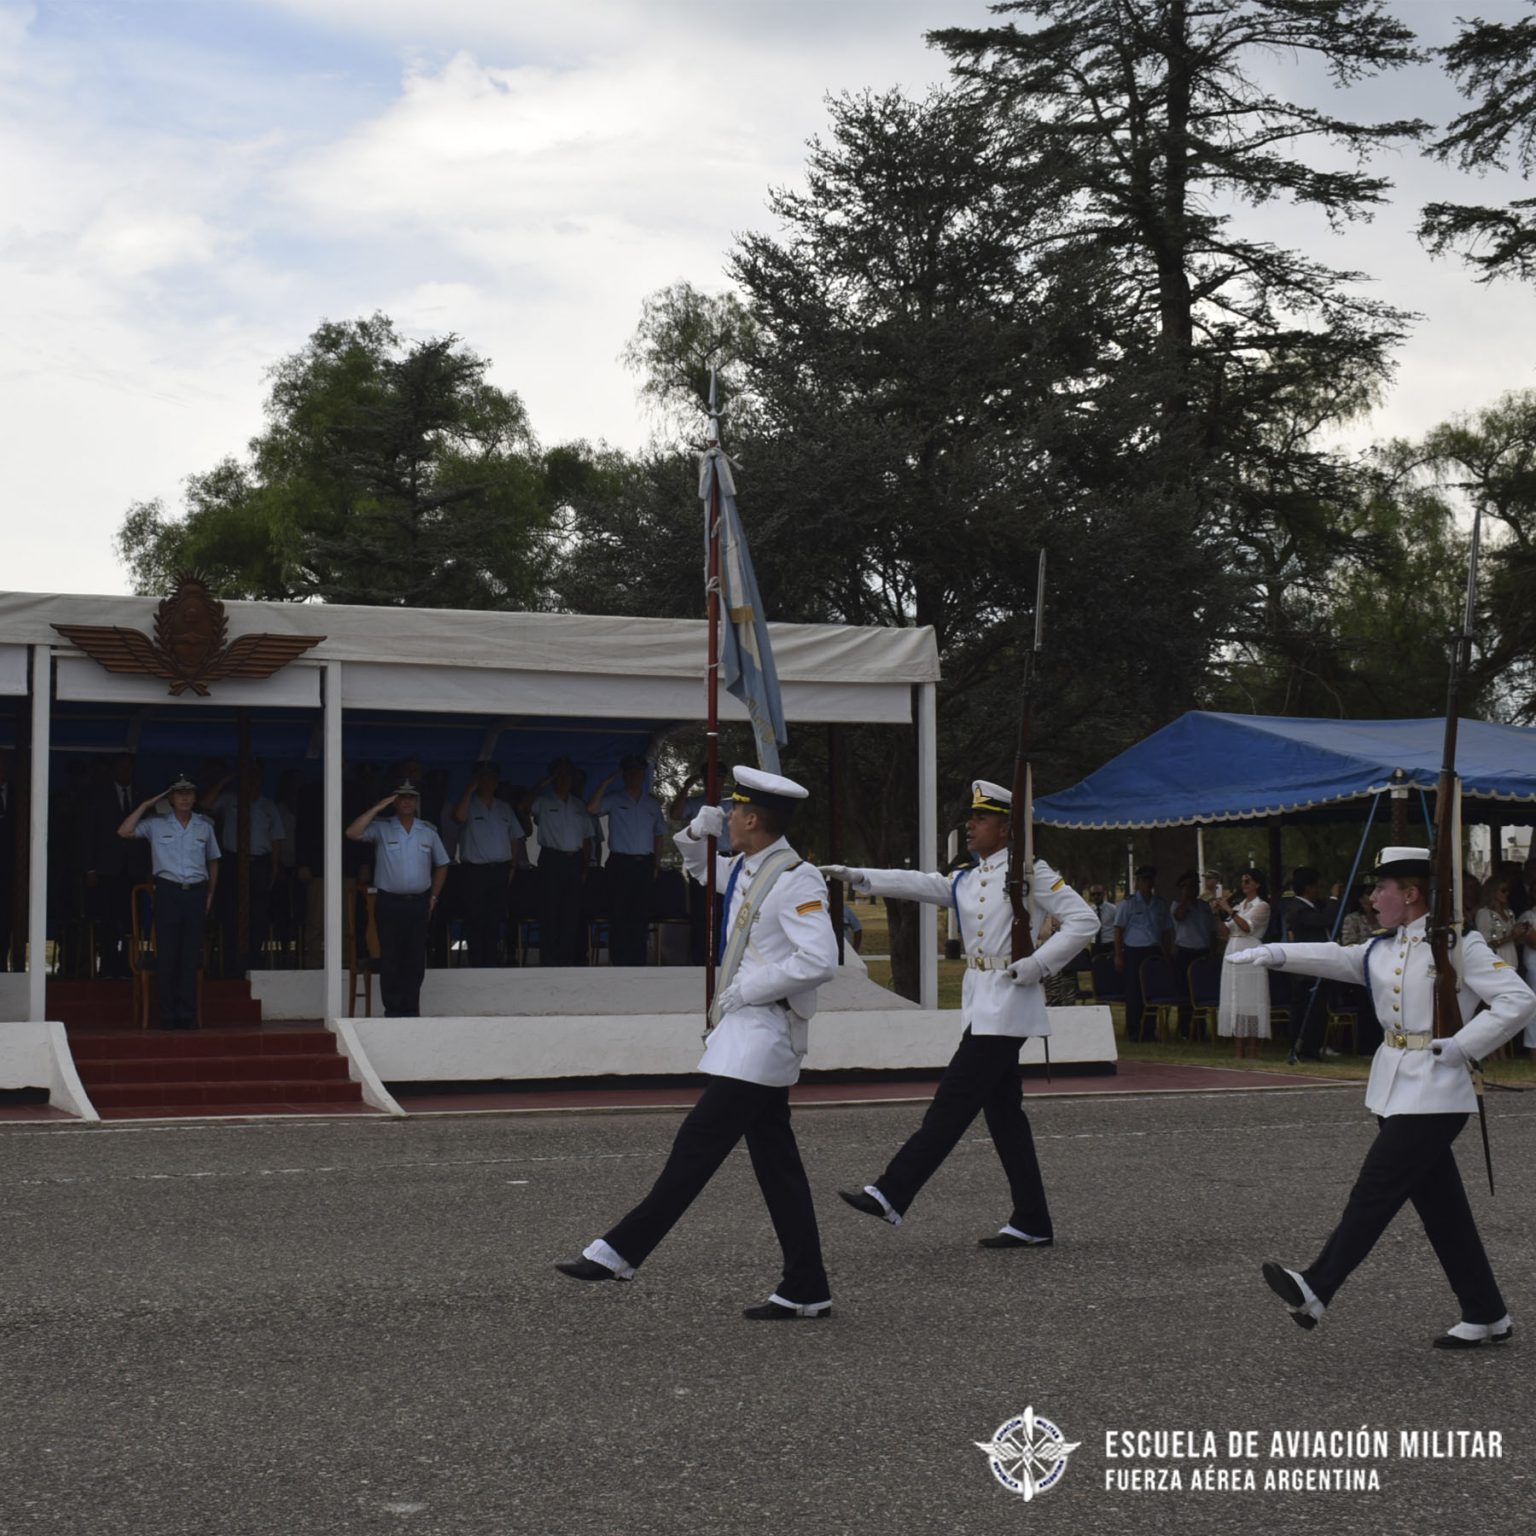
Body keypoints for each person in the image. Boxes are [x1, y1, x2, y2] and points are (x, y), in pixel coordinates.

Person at [555, 765, 839, 1320]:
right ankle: (807, 1285)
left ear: (753, 818)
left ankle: (619, 1251)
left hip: (763, 1033)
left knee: (697, 1147)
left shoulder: (795, 878)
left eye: (734, 811)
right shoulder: (749, 869)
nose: (728, 816)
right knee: (778, 1168)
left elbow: (818, 959)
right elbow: (701, 872)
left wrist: (748, 989)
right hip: (743, 1034)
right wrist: (694, 834)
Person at [1231, 845, 1536, 1348]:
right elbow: (1341, 957)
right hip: (1395, 1089)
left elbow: (1519, 999)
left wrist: (1463, 1046)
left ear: (1411, 894)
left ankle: (1316, 1287)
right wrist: (1275, 954)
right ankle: (1487, 1313)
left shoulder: (1459, 946)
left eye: (1381, 889)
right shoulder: (1384, 947)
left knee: (1374, 1190)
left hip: (1438, 1093)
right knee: (1444, 1212)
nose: (1372, 898)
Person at [820, 780, 1098, 1248]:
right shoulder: (969, 877)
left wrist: (1036, 965)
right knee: (1005, 1117)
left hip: (1010, 1003)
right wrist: (860, 875)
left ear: (1007, 829)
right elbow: (926, 884)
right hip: (981, 1004)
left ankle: (891, 1192)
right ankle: (1032, 1220)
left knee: (952, 1103)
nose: (970, 825)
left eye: (981, 819)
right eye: (972, 817)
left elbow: (1085, 920)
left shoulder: (1030, 872)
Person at [117, 775, 220, 1030]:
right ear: (171, 799)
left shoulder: (204, 826)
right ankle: (168, 1015)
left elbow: (213, 861)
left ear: (195, 798)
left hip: (196, 893)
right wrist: (145, 804)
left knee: (190, 956)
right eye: (179, 794)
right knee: (168, 955)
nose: (184, 798)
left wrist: (210, 894)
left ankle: (187, 1015)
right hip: (168, 892)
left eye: (189, 793)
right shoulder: (156, 824)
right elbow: (124, 831)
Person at [345, 781, 449, 1017]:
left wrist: (434, 897)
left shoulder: (428, 830)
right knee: (390, 957)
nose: (406, 802)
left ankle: (411, 1009)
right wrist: (379, 807)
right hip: (389, 902)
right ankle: (393, 1009)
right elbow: (352, 832)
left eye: (411, 798)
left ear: (417, 802)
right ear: (394, 801)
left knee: (414, 959)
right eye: (401, 798)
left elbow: (442, 864)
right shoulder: (383, 827)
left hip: (419, 903)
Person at [201, 762, 285, 976]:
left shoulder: (268, 806)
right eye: (248, 777)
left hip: (260, 864)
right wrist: (224, 782)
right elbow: (204, 805)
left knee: (257, 916)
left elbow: (276, 841)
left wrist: (273, 870)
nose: (252, 782)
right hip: (232, 861)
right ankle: (230, 966)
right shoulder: (230, 800)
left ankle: (254, 966)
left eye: (256, 777)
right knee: (230, 915)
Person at [587, 755, 668, 966]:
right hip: (621, 863)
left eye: (638, 773)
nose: (634, 777)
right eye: (630, 773)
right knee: (619, 913)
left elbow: (659, 834)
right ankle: (619, 960)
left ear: (643, 775)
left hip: (644, 863)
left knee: (640, 915)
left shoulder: (651, 803)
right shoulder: (614, 798)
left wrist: (656, 864)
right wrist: (605, 783)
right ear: (624, 776)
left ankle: (638, 960)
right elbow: (592, 809)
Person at [80, 752, 147, 978]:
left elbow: (151, 837)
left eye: (129, 768)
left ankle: (130, 966)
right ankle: (108, 967)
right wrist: (90, 868)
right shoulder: (99, 796)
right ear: (113, 771)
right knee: (109, 919)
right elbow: (89, 834)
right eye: (121, 768)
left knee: (133, 921)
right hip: (108, 869)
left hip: (136, 870)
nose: (125, 772)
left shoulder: (142, 795)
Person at [454, 762, 524, 967]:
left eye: (492, 778)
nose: (488, 782)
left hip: (499, 870)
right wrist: (469, 789)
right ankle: (476, 962)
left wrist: (511, 867)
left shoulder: (504, 807)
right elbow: (458, 817)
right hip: (475, 870)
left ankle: (492, 962)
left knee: (494, 918)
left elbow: (515, 838)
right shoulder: (469, 803)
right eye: (483, 778)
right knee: (475, 918)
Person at [523, 758, 590, 965]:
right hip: (552, 858)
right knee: (550, 911)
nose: (564, 780)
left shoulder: (579, 805)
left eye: (567, 776)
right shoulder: (543, 801)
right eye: (559, 776)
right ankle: (549, 961)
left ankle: (567, 961)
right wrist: (541, 785)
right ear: (553, 779)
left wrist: (584, 867)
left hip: (574, 860)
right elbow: (523, 806)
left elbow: (587, 838)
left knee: (571, 913)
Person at [1212, 870, 1271, 1059]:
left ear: (1257, 884)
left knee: (1251, 1000)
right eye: (1243, 880)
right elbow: (1223, 931)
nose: (1244, 884)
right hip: (1233, 950)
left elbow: (1247, 927)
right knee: (1235, 998)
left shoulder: (1262, 906)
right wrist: (1219, 914)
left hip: (1251, 950)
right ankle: (1238, 1050)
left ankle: (1253, 1049)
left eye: (1248, 880)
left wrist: (1230, 910)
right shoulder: (1240, 905)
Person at [1115, 865, 1174, 1043]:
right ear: (1138, 882)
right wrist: (1118, 955)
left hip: (1153, 950)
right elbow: (1118, 929)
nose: (1147, 883)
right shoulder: (1129, 903)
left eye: (1150, 879)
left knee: (1152, 992)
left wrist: (1167, 952)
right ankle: (1134, 1031)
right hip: (1134, 951)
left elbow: (1166, 930)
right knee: (1134, 993)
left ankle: (1150, 1030)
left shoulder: (1160, 904)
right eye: (1144, 880)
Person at [1170, 871, 1216, 1040]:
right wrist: (1185, 898)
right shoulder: (1177, 905)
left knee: (1202, 992)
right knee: (1185, 993)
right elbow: (1179, 916)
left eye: (1195, 885)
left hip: (1202, 951)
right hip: (1185, 951)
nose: (1193, 889)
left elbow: (1211, 930)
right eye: (1188, 886)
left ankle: (1200, 1029)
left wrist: (1212, 952)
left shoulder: (1204, 906)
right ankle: (1184, 1029)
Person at [1087, 883, 1118, 958]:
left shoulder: (1113, 909)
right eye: (1093, 894)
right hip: (1095, 945)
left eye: (1098, 894)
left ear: (1104, 894)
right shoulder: (1088, 911)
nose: (1096, 896)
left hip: (1109, 944)